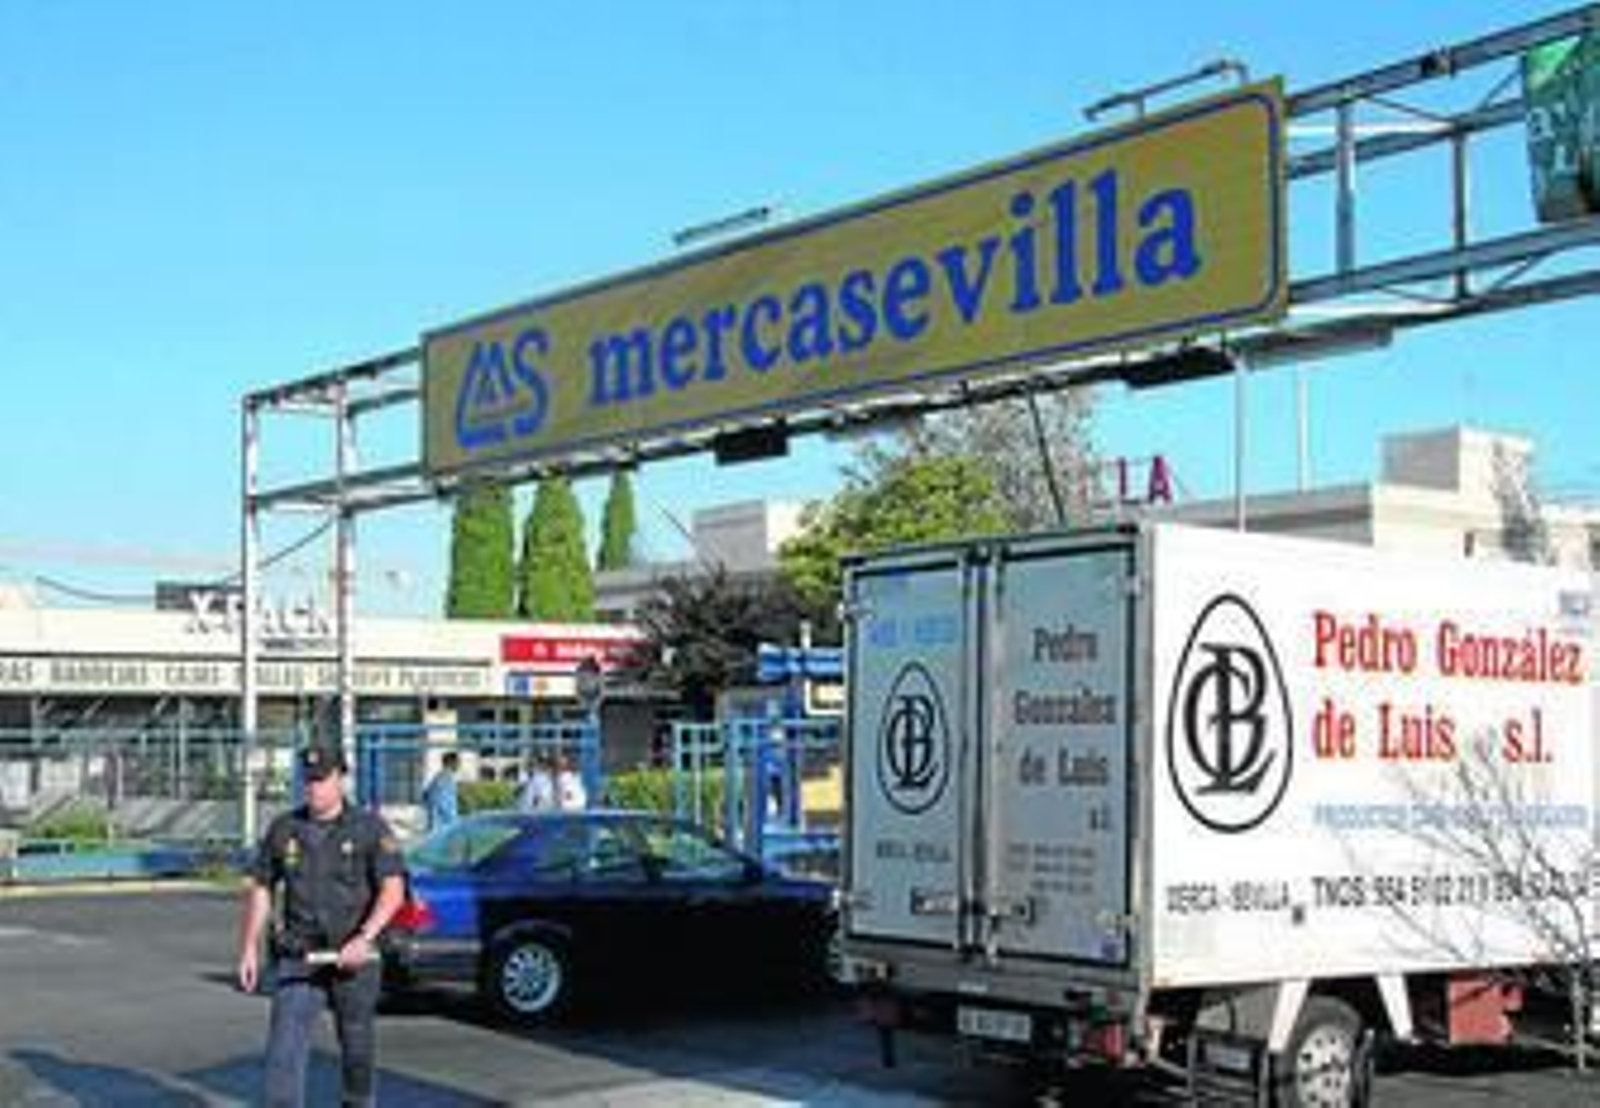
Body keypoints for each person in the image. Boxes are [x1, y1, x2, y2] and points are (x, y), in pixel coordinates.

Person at [237, 744, 407, 1108]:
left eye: (322, 779)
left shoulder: (369, 828)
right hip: (301, 955)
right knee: (284, 1051)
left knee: (357, 1048)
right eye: (308, 780)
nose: (313, 787)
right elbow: (263, 885)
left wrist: (365, 938)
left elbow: (393, 891)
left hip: (353, 957)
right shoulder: (285, 829)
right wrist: (250, 946)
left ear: (341, 779)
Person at [420, 750, 460, 832]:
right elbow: (437, 802)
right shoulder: (444, 778)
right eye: (457, 762)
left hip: (444, 824)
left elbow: (426, 796)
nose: (459, 765)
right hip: (443, 826)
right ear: (451, 762)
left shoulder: (443, 777)